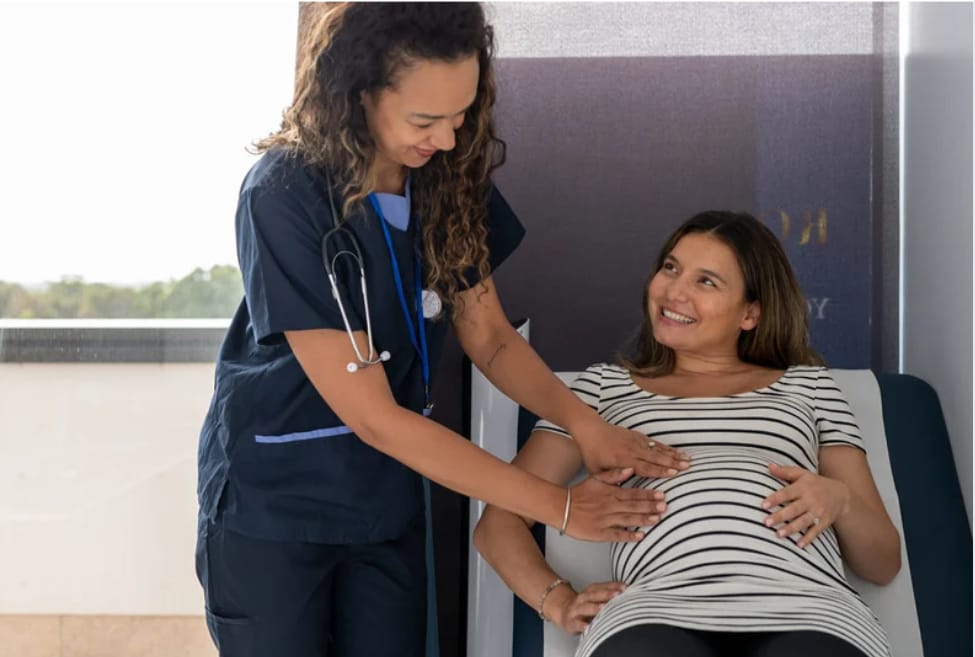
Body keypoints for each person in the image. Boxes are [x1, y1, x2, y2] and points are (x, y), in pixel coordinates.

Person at [195, 4, 690, 657]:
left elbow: (491, 337)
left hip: (385, 500)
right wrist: (563, 508)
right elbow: (374, 418)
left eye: (460, 117)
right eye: (425, 121)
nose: (449, 141)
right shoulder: (285, 192)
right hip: (275, 505)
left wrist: (582, 422)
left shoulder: (446, 178)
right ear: (359, 93)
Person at [474, 210, 901, 657]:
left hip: (810, 609)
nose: (674, 291)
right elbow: (498, 524)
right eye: (671, 268)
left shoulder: (809, 386)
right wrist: (559, 602)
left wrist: (839, 499)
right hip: (652, 611)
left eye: (706, 281)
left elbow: (882, 563)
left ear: (750, 313)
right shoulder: (601, 389)